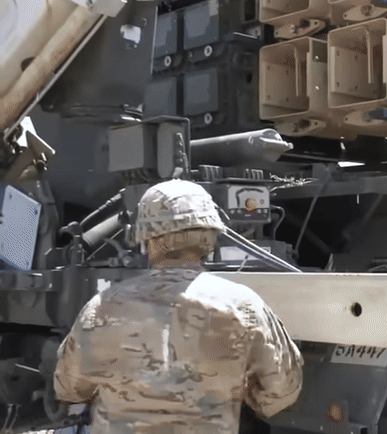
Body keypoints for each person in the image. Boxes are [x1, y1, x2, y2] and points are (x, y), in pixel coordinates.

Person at [53, 179, 304, 433]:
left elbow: (69, 388)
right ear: (210, 237)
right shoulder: (244, 306)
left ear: (147, 240)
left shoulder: (104, 306)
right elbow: (281, 392)